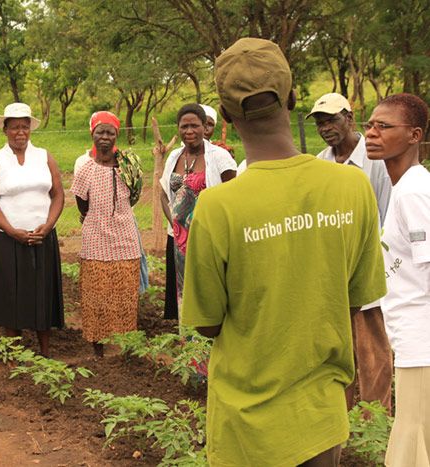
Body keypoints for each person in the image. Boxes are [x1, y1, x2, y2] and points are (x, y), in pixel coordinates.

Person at [181, 38, 386, 466]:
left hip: (246, 428)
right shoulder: (352, 187)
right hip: (321, 418)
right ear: (292, 98)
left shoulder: (217, 207)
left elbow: (208, 323)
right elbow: (354, 299)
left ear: (226, 115)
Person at [309, 92, 394, 411]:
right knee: (337, 352)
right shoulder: (320, 163)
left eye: (331, 120)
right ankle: (339, 420)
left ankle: (376, 421)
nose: (325, 128)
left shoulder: (376, 160)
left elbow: (386, 216)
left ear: (350, 117)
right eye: (320, 123)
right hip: (332, 274)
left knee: (372, 353)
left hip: (369, 272)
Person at [365, 93, 430, 466]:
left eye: (384, 126)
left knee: (410, 448)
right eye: (370, 125)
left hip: (422, 346)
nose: (372, 133)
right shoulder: (403, 188)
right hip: (411, 344)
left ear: (414, 135)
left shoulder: (414, 193)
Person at [0, 103, 64, 357]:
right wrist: (11, 230)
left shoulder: (44, 157)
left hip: (42, 237)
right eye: (15, 127)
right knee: (11, 295)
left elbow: (58, 195)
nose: (20, 132)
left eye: (25, 127)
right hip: (8, 239)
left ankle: (45, 352)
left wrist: (48, 226)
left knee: (42, 293)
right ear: (5, 130)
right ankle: (15, 354)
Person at [71, 111, 143, 357]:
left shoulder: (128, 165)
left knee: (125, 294)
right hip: (95, 238)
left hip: (125, 237)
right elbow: (82, 206)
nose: (104, 137)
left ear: (116, 135)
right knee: (96, 295)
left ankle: (125, 346)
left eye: (109, 132)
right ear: (92, 134)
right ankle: (98, 349)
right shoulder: (85, 169)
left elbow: (134, 196)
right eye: (100, 132)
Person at [160, 103, 235, 313]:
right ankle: (188, 334)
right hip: (180, 241)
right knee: (184, 293)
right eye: (184, 126)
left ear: (204, 126)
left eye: (194, 126)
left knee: (209, 292)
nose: (189, 131)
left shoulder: (219, 157)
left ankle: (212, 333)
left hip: (209, 238)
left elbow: (232, 196)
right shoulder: (174, 157)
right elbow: (163, 195)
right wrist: (176, 226)